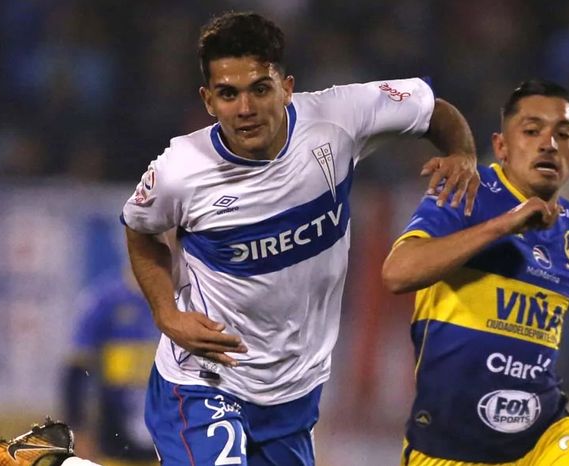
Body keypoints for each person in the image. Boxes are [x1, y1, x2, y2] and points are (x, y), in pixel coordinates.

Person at [121, 11, 479, 466]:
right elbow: (141, 229)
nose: (245, 109)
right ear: (208, 100)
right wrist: (167, 314)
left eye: (260, 89)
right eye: (228, 94)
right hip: (203, 382)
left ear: (287, 87)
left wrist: (462, 152)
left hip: (293, 392)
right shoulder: (180, 169)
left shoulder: (339, 117)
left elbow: (431, 109)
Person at [382, 79, 569, 465]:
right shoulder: (466, 190)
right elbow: (398, 273)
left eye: (563, 135)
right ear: (501, 146)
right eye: (532, 131)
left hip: (544, 440)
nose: (548, 144)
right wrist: (503, 225)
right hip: (448, 448)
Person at [61, 269, 160, 466]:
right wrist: (78, 430)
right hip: (115, 446)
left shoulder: (186, 300)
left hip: (170, 446)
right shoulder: (104, 302)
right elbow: (77, 372)